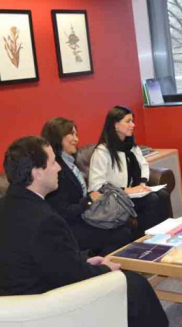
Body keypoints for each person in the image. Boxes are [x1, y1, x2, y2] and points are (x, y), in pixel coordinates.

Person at [0, 136, 169, 327]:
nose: (59, 168)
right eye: (53, 162)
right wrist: (105, 269)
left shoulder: (9, 205)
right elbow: (71, 275)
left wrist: (83, 260)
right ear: (37, 172)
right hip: (43, 307)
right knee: (134, 285)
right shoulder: (44, 220)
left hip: (12, 306)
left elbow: (49, 259)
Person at [42, 118, 132, 256]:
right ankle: (101, 271)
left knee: (123, 223)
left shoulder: (70, 162)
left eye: (76, 134)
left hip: (83, 217)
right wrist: (89, 200)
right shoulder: (56, 169)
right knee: (121, 234)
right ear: (58, 137)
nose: (76, 139)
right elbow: (63, 211)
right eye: (71, 134)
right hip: (70, 228)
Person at [89, 106, 170, 239]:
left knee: (163, 195)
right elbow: (96, 186)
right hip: (116, 198)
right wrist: (127, 190)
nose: (133, 125)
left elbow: (143, 164)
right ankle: (146, 240)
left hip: (135, 193)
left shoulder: (130, 145)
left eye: (132, 121)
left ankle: (164, 237)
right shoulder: (102, 152)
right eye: (128, 121)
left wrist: (143, 183)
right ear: (115, 124)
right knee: (152, 199)